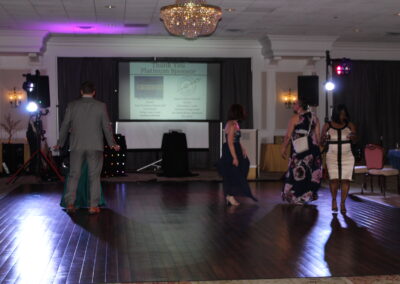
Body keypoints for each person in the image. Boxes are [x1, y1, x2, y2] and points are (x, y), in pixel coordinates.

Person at [54, 81, 120, 214]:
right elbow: (106, 127)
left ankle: (70, 204)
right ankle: (93, 206)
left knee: (73, 175)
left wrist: (60, 143)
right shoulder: (101, 106)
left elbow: (65, 125)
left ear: (81, 92)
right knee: (94, 176)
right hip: (95, 146)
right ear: (94, 92)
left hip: (76, 146)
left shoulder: (72, 105)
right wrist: (112, 144)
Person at [281, 99, 322, 204]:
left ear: (299, 106)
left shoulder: (295, 118)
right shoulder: (315, 118)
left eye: (294, 104)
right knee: (310, 172)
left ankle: (296, 196)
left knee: (298, 171)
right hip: (313, 149)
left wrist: (283, 148)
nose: (293, 105)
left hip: (300, 150)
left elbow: (287, 136)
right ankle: (307, 196)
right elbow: (318, 137)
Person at [216, 104, 257, 206]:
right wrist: (234, 157)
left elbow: (236, 139)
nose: (244, 112)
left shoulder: (234, 123)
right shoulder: (232, 125)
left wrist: (242, 148)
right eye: (242, 110)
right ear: (238, 112)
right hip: (231, 150)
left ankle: (230, 194)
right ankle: (230, 195)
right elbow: (230, 142)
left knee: (242, 168)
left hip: (236, 148)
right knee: (233, 172)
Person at [321, 104, 356, 213]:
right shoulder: (327, 125)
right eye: (341, 114)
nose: (343, 116)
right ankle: (334, 200)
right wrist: (324, 138)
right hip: (332, 155)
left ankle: (343, 203)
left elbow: (355, 141)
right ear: (336, 114)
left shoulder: (350, 125)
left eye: (344, 114)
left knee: (346, 180)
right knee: (334, 180)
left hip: (347, 156)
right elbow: (321, 142)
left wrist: (353, 137)